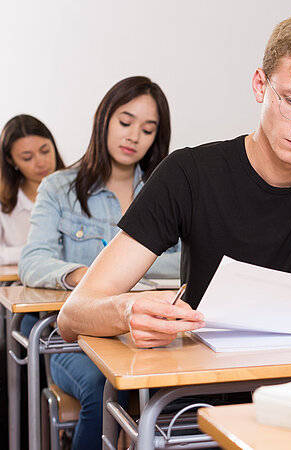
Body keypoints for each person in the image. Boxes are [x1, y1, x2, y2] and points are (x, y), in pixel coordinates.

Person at [57, 10, 291, 349]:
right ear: (259, 85)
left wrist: (287, 304)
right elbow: (73, 315)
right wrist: (126, 310)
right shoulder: (188, 174)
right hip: (204, 387)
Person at [20, 76, 180, 450]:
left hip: (146, 334)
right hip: (71, 337)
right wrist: (91, 278)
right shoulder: (59, 187)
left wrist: (123, 273)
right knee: (102, 388)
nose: (134, 136)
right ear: (104, 119)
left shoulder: (164, 190)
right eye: (125, 122)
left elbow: (187, 262)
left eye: (147, 129)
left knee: (176, 390)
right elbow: (33, 261)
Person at [0, 115, 65, 265]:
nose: (41, 163)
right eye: (27, 158)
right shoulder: (5, 200)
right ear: (11, 160)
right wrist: (38, 252)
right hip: (15, 284)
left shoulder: (79, 190)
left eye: (45, 151)